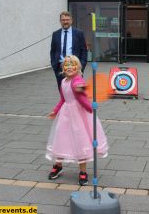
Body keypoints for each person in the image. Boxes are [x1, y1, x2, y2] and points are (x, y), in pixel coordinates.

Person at [45, 55, 108, 186]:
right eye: (66, 65)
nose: (69, 67)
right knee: (60, 139)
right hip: (65, 116)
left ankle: (83, 171)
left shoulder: (77, 80)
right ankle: (58, 165)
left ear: (78, 67)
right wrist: (55, 111)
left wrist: (90, 108)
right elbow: (63, 99)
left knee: (81, 142)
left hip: (79, 116)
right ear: (63, 68)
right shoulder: (63, 82)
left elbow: (82, 95)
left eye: (72, 65)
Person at [50, 11, 87, 89]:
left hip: (75, 67)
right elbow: (52, 51)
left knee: (77, 90)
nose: (65, 22)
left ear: (71, 20)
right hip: (60, 67)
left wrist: (81, 66)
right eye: (63, 20)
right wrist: (54, 65)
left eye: (67, 20)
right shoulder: (55, 34)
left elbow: (84, 51)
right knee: (62, 91)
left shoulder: (79, 33)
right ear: (60, 21)